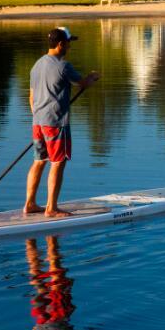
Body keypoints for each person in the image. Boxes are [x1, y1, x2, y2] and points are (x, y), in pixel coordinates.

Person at [25, 27, 99, 218]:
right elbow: (81, 83)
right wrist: (92, 78)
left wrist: (39, 117)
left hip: (38, 123)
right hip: (56, 123)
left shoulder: (37, 65)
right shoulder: (64, 66)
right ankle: (51, 208)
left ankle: (30, 204)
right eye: (68, 42)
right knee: (57, 163)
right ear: (60, 44)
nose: (70, 46)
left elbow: (31, 98)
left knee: (39, 161)